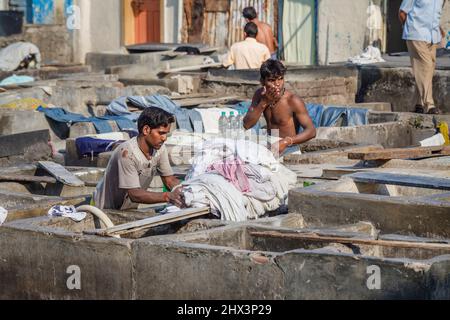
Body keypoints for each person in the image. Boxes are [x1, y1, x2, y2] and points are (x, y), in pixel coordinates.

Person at [93, 107, 184, 210]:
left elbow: (169, 180)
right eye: (161, 133)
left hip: (128, 209)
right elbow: (134, 194)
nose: (164, 138)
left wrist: (186, 189)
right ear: (146, 130)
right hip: (104, 210)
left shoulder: (159, 149)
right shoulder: (127, 153)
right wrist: (167, 196)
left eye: (166, 134)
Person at [243, 59, 316, 157]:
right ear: (262, 81)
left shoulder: (292, 100)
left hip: (289, 150)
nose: (277, 84)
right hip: (269, 148)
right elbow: (247, 124)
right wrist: (264, 102)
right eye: (272, 80)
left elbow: (311, 131)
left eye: (280, 79)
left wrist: (286, 141)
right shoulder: (260, 95)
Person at [399, 0, 445, 114]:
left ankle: (417, 103)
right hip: (416, 34)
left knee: (428, 70)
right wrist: (410, 29)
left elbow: (432, 14)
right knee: (425, 66)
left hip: (433, 36)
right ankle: (429, 104)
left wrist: (439, 29)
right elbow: (402, 13)